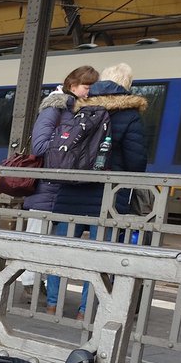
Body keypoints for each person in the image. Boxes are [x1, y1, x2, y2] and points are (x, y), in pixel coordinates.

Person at [48, 62, 148, 319]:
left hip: (71, 192)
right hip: (109, 199)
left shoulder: (81, 108)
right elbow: (136, 161)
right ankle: (85, 310)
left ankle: (52, 305)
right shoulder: (130, 116)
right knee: (100, 257)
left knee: (62, 253)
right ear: (127, 85)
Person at [20, 65, 98, 302]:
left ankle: (39, 282)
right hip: (46, 186)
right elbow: (40, 146)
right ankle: (29, 284)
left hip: (61, 187)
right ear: (72, 86)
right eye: (87, 86)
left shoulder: (77, 110)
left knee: (51, 241)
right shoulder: (54, 107)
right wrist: (71, 145)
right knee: (38, 237)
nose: (90, 91)